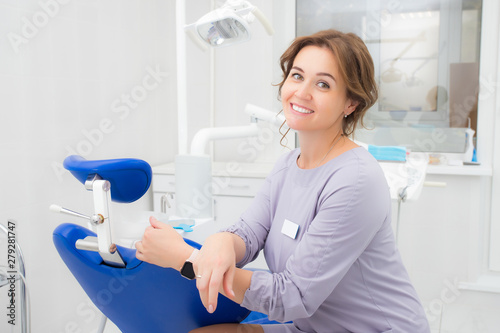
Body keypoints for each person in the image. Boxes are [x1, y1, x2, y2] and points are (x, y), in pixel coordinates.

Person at [135, 29, 431, 333]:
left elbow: (292, 297)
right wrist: (221, 242)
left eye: (323, 84)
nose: (302, 92)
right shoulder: (289, 165)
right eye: (297, 76)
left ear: (350, 103)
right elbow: (248, 234)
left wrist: (186, 259)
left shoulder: (355, 180)